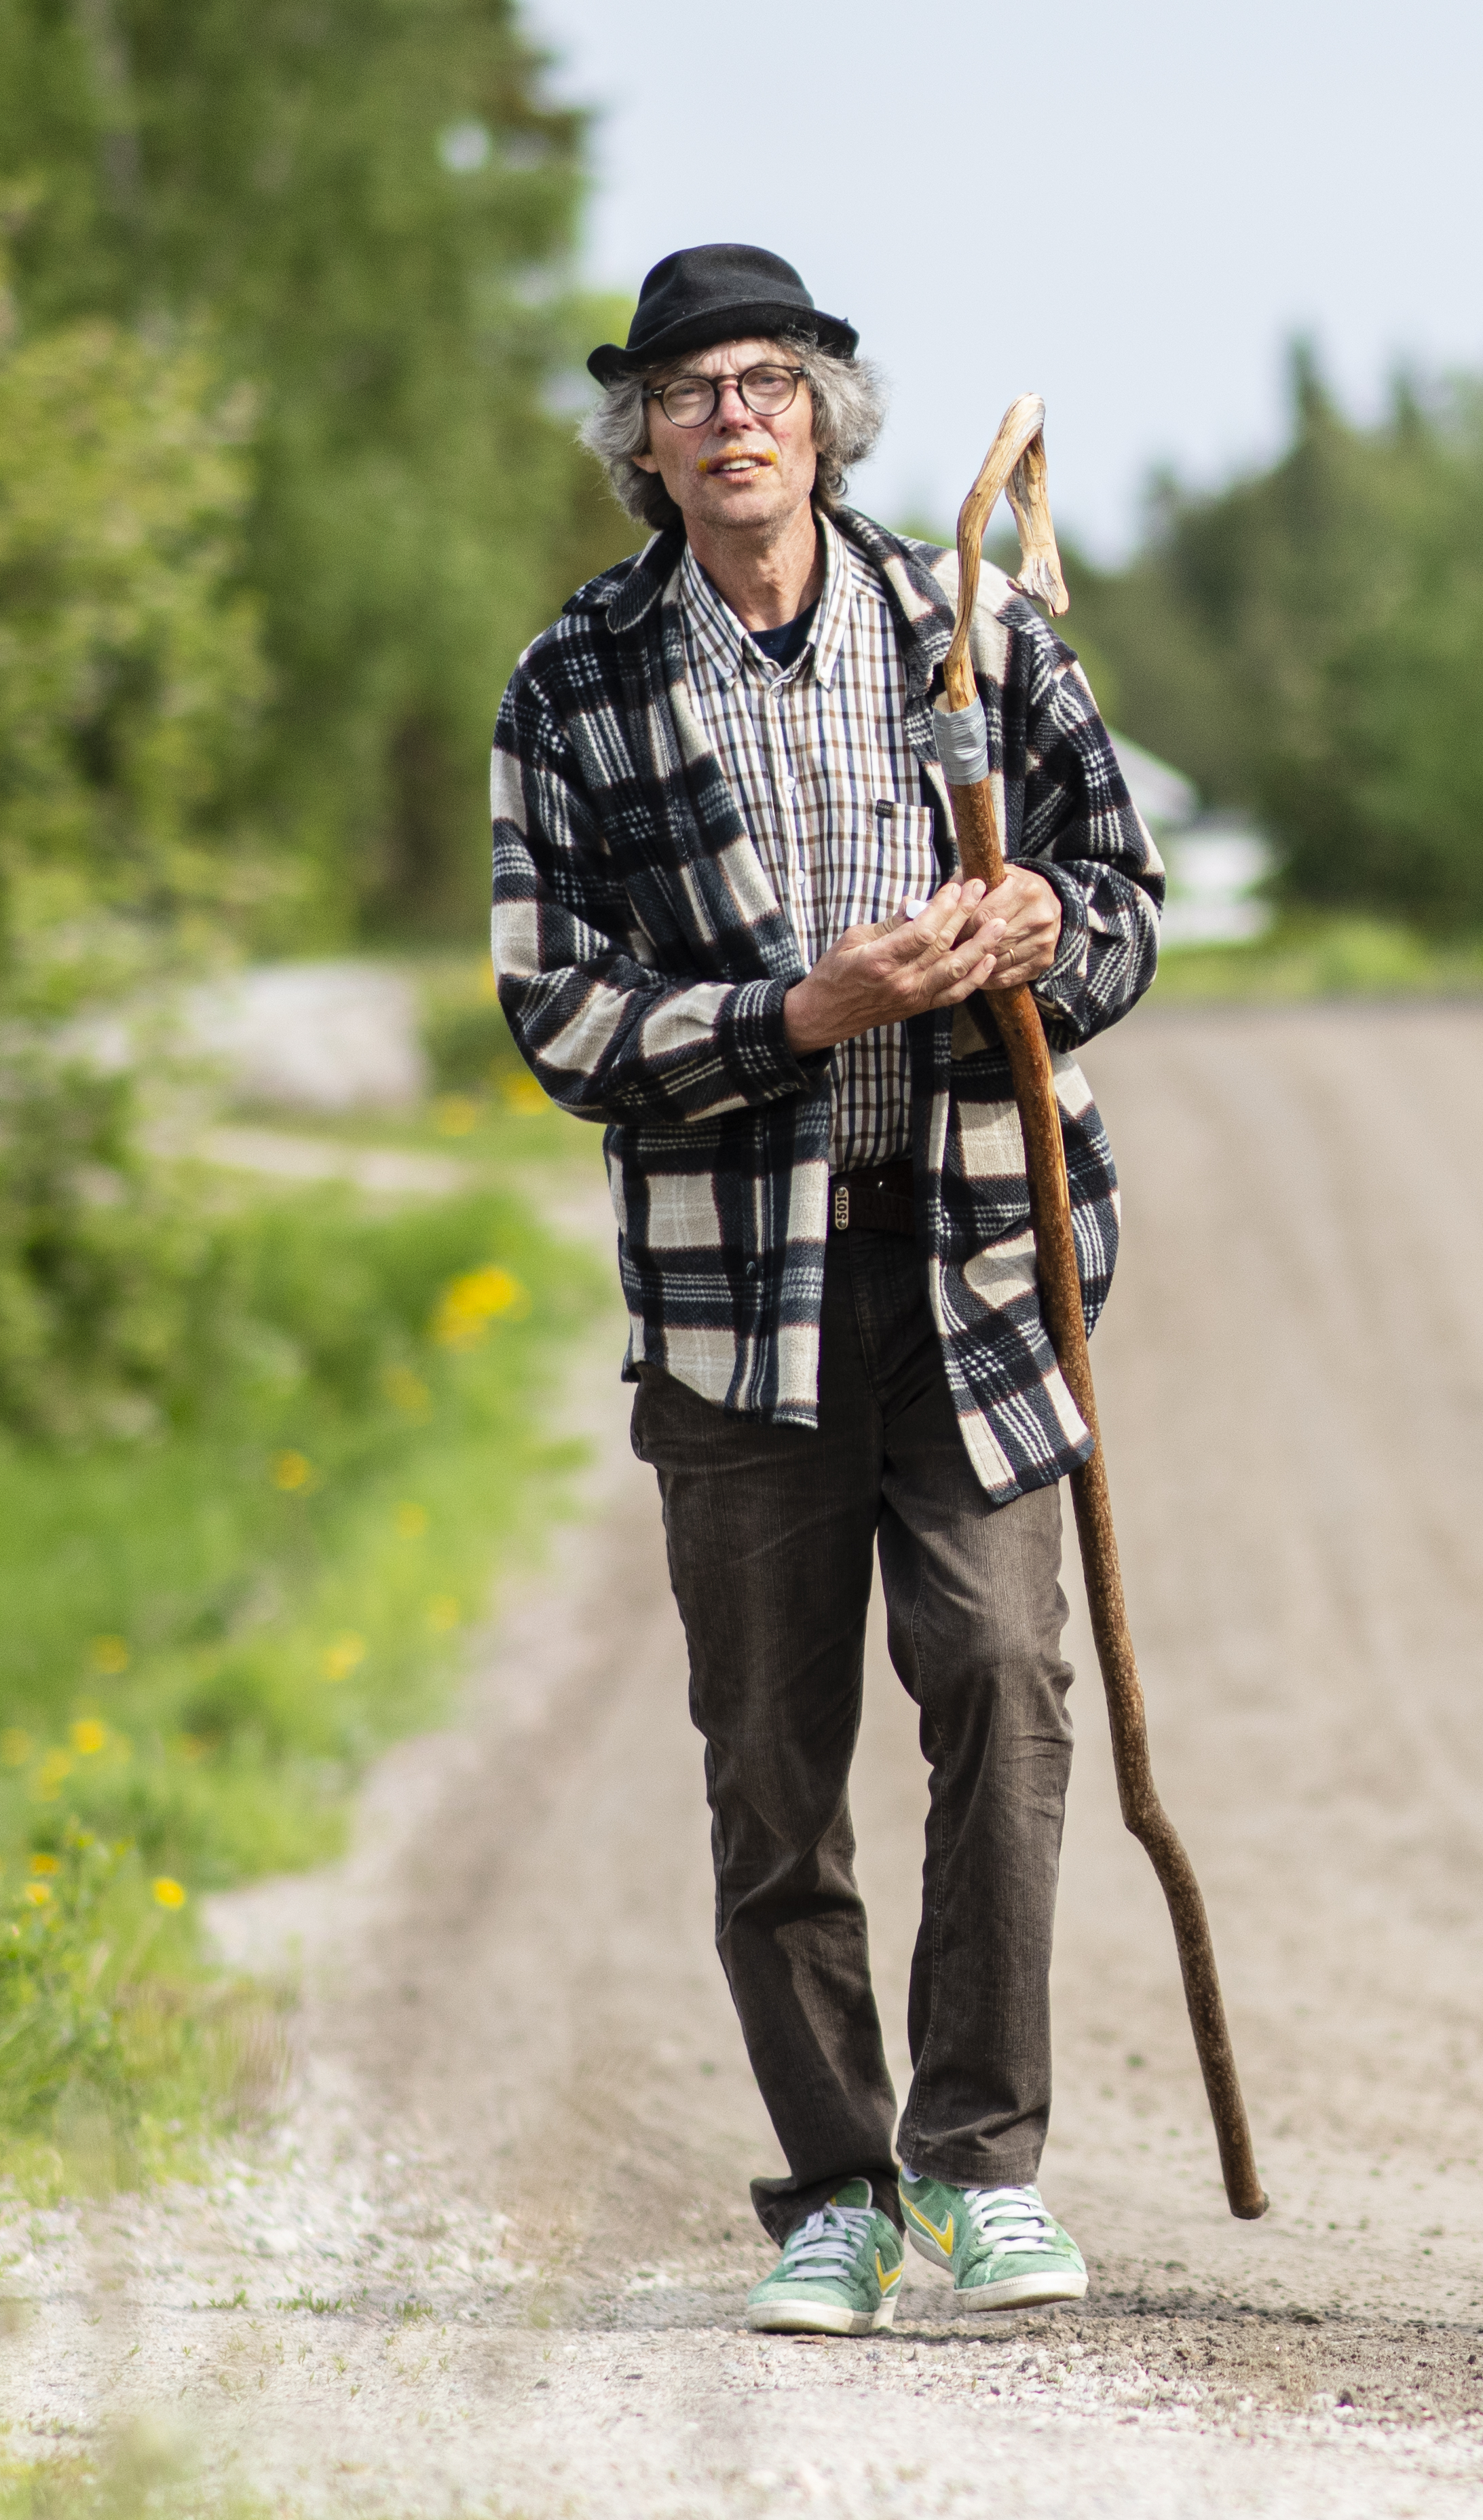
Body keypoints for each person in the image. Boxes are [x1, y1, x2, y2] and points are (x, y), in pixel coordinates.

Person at [493, 244, 1161, 2337]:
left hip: (970, 1262)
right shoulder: (578, 682)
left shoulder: (970, 628)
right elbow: (556, 1017)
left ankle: (981, 2167)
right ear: (648, 441)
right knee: (771, 1764)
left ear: (824, 417)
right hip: (731, 1306)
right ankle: (839, 2195)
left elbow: (1133, 908)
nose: (733, 417)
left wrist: (1053, 926)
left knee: (1005, 1691)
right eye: (689, 390)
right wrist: (798, 1009)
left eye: (767, 381)